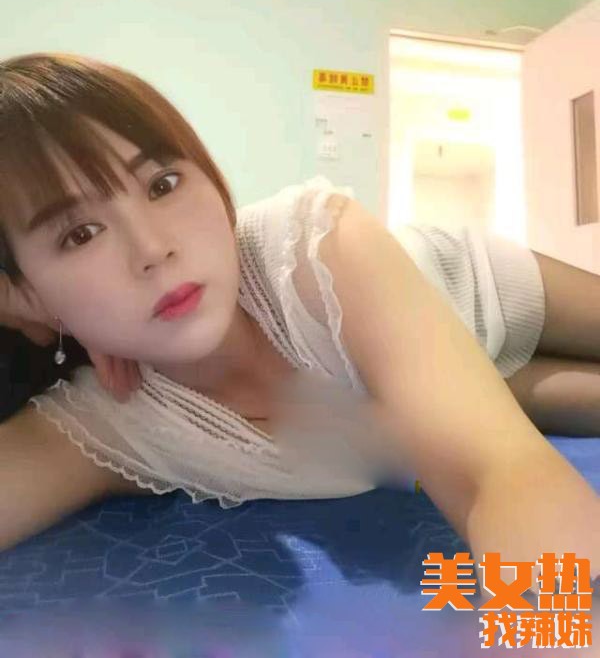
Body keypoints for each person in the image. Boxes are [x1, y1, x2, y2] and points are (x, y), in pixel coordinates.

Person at [0, 53, 598, 598]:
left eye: (163, 184)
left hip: (474, 290)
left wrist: (551, 625)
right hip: (461, 382)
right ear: (21, 294)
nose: (153, 249)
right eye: (79, 234)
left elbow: (498, 473)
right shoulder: (106, 427)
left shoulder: (313, 249)